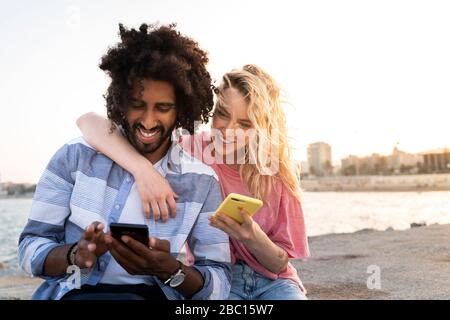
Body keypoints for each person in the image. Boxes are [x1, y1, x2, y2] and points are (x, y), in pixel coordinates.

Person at [18, 23, 231, 300]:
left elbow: (220, 281)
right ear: (120, 101)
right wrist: (74, 254)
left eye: (163, 108)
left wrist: (170, 270)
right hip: (76, 292)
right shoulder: (75, 157)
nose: (148, 120)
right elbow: (30, 247)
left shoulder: (202, 182)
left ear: (181, 110)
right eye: (137, 104)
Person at [77, 64, 310, 300]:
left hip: (274, 283)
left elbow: (279, 265)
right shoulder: (191, 149)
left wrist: (251, 236)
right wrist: (143, 170)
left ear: (262, 128)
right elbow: (88, 122)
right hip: (219, 282)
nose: (228, 130)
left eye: (245, 124)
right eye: (223, 114)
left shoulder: (277, 174)